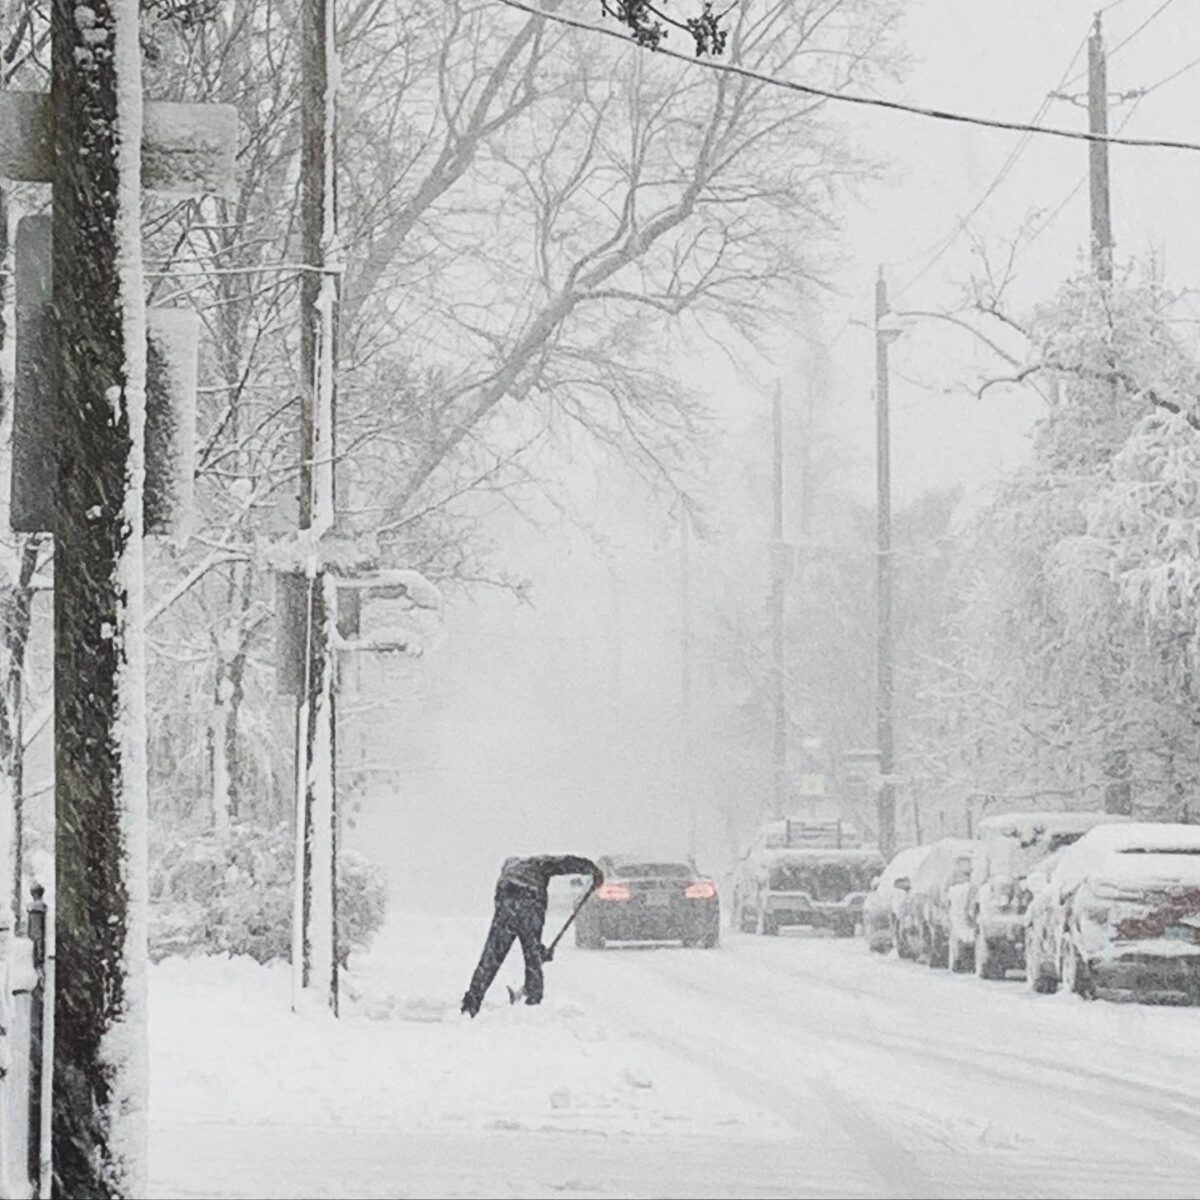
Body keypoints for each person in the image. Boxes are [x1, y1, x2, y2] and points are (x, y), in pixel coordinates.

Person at [461, 854, 603, 1016]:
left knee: (491, 956)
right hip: (531, 899)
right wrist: (591, 868)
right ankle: (533, 1006)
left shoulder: (506, 876)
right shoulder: (537, 863)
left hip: (506, 901)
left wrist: (538, 947)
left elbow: (508, 912)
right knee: (532, 959)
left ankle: (471, 1004)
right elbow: (563, 863)